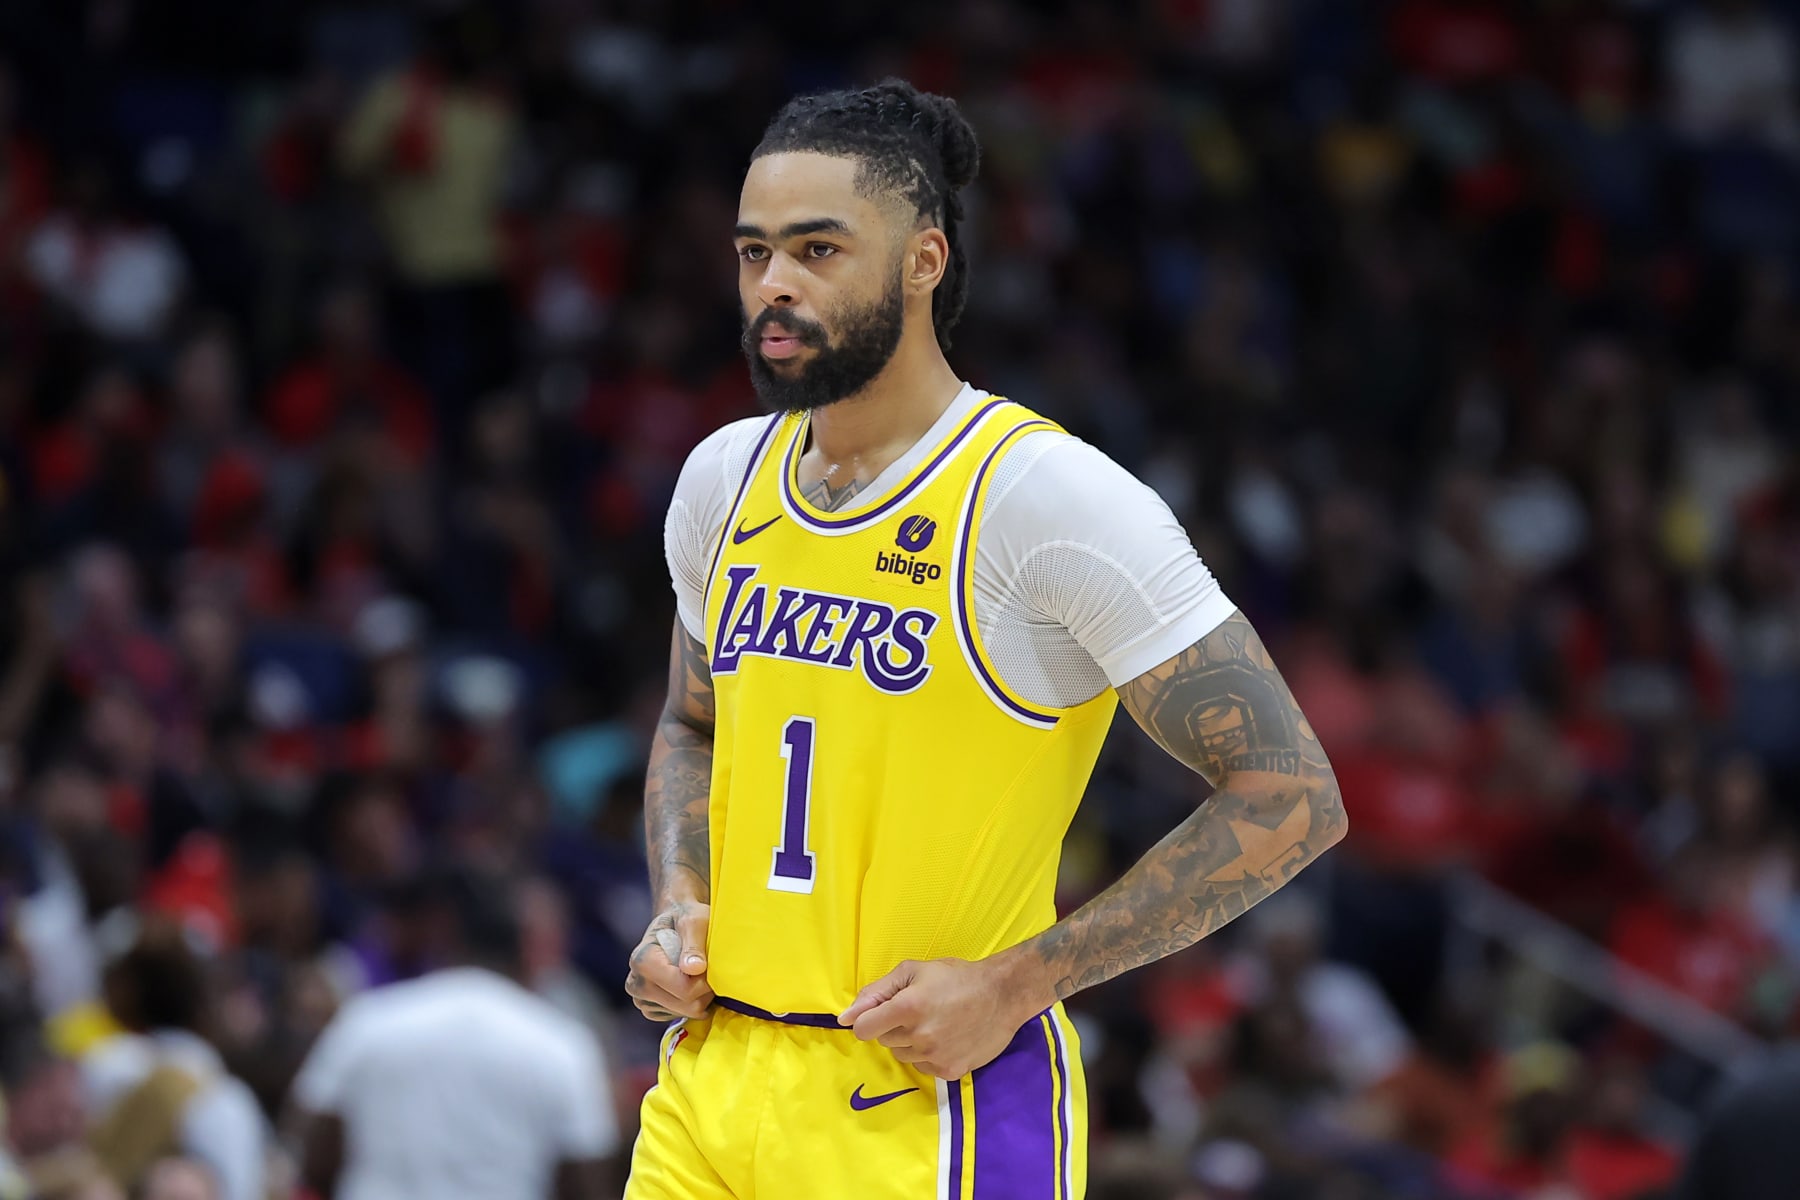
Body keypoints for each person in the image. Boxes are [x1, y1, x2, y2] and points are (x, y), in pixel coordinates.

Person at [624, 79, 1346, 1199]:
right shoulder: (723, 478)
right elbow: (690, 719)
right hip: (714, 1086)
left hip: (931, 1101)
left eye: (819, 249)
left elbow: (1292, 792)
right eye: (754, 251)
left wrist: (1018, 984)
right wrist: (679, 897)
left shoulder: (1046, 499)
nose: (774, 285)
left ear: (925, 260)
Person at [290, 867, 619, 1200]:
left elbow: (311, 1153)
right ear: (523, 952)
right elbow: (585, 1182)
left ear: (448, 942)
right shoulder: (562, 1045)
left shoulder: (367, 1021)